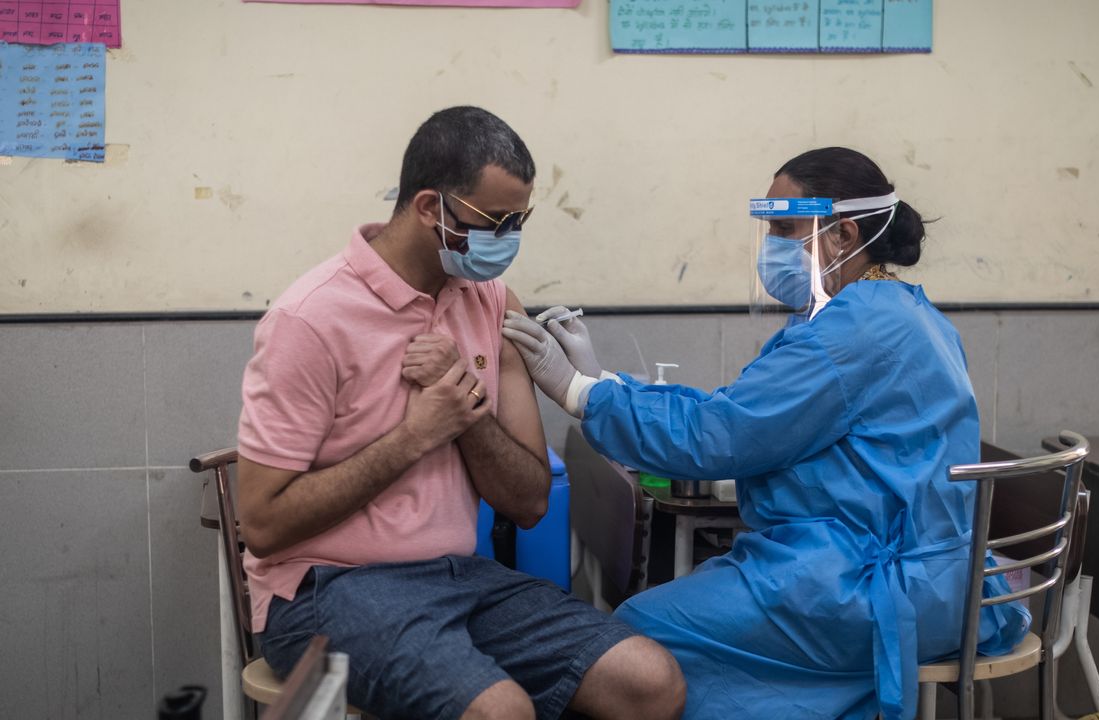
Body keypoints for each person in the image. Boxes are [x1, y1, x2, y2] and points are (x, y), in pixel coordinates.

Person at [502, 147, 1030, 720]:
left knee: (636, 638)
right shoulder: (897, 311)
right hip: (937, 577)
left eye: (784, 229)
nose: (773, 247)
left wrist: (579, 393)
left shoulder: (849, 333)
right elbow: (742, 410)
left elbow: (721, 436)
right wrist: (605, 383)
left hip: (871, 587)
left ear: (843, 235)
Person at [235, 106, 685, 720]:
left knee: (650, 681)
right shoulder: (309, 320)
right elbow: (262, 525)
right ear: (427, 207)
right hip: (323, 590)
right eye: (493, 221)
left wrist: (465, 409)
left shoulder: (491, 301)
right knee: (500, 713)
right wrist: (415, 436)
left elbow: (527, 503)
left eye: (518, 220)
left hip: (458, 577)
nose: (507, 238)